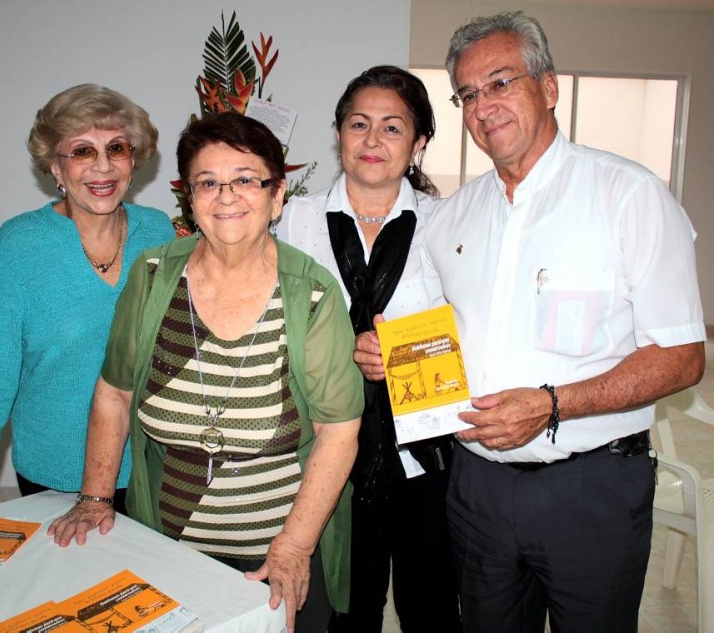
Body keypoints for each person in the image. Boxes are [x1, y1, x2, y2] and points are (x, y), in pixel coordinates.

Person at [355, 11, 706, 633]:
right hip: (477, 489)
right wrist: (393, 353)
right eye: (467, 94)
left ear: (548, 88)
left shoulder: (628, 195)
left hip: (591, 486)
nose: (483, 106)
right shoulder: (452, 217)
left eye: (500, 82)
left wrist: (551, 404)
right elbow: (439, 332)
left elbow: (681, 357)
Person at [47, 111, 364, 633]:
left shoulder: (311, 293)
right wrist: (97, 496)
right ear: (190, 200)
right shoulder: (151, 279)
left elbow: (339, 431)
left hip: (278, 559)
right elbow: (114, 394)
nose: (227, 196)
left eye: (246, 180)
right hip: (168, 556)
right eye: (208, 182)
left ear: (276, 195)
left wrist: (293, 547)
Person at [0, 84, 175, 548]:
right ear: (56, 168)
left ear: (133, 160)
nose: (102, 166)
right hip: (55, 472)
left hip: (150, 466)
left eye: (116, 148)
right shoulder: (21, 244)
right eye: (82, 151)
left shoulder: (157, 231)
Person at [278, 65, 461, 632]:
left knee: (429, 606)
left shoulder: (447, 222)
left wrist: (402, 354)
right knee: (341, 612)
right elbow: (273, 320)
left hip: (424, 453)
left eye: (392, 127)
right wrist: (339, 347)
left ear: (420, 142)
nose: (373, 141)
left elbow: (475, 328)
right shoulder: (292, 219)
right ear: (338, 133)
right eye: (359, 125)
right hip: (324, 452)